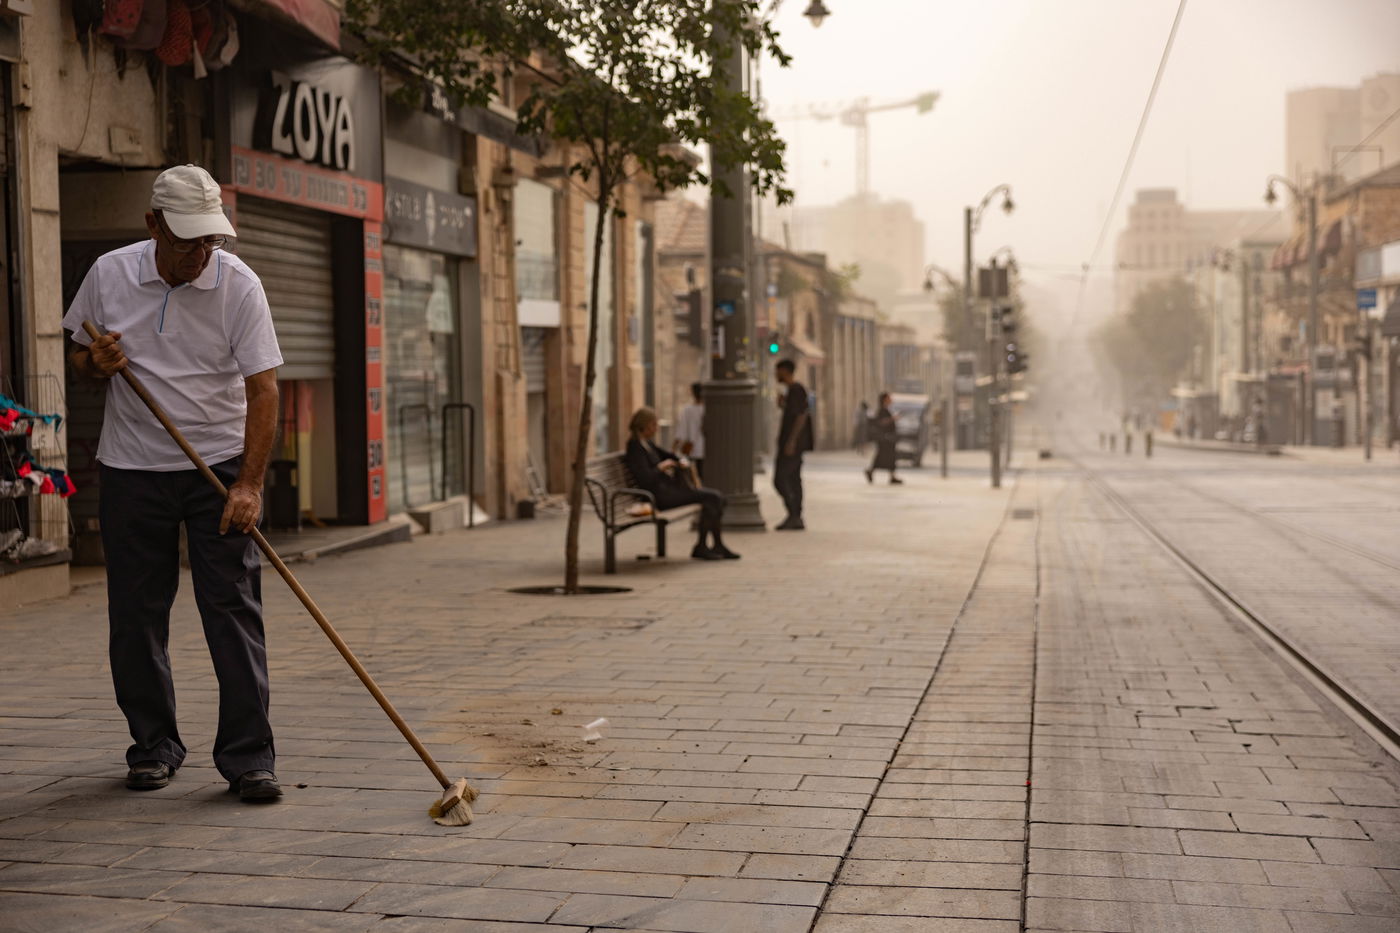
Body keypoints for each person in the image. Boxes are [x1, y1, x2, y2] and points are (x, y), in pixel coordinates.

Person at [62, 165, 285, 802]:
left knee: (232, 611)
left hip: (215, 467)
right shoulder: (109, 274)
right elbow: (79, 357)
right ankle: (153, 745)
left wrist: (248, 484)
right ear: (152, 224)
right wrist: (94, 363)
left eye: (209, 240)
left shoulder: (237, 284)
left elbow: (263, 388)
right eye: (186, 240)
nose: (199, 254)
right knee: (135, 614)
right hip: (132, 467)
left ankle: (248, 758)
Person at [624, 407, 738, 560]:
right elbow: (645, 478)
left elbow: (667, 454)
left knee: (715, 499)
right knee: (713, 498)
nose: (656, 429)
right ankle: (706, 546)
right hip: (659, 497)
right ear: (643, 425)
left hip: (669, 490)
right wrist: (661, 467)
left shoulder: (647, 443)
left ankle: (710, 545)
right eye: (653, 425)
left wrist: (679, 460)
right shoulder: (635, 447)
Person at [774, 359, 812, 530]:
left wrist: (792, 441)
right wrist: (783, 405)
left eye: (778, 371)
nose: (776, 375)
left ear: (785, 371)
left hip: (791, 445)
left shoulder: (796, 389)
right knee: (793, 479)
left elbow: (801, 416)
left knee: (780, 479)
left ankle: (794, 514)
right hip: (791, 443)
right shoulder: (792, 391)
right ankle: (795, 516)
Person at [864, 391, 902, 485]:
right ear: (885, 399)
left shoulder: (886, 409)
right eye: (889, 398)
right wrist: (893, 419)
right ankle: (871, 471)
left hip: (888, 438)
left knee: (889, 457)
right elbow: (881, 422)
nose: (891, 400)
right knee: (883, 457)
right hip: (885, 438)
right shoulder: (882, 410)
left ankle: (890, 476)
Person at [673, 382, 705, 480]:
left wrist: (674, 447)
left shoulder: (688, 410)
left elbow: (681, 432)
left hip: (693, 450)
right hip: (707, 450)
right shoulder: (708, 409)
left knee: (695, 479)